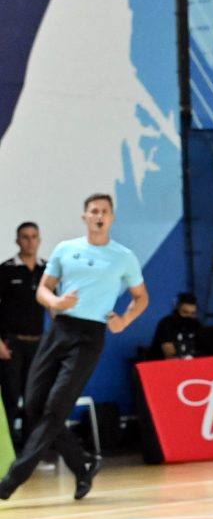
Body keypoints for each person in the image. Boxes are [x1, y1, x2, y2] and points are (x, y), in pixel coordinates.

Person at [0, 194, 148, 501]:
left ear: (112, 218)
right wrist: (56, 301)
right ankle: (83, 465)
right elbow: (43, 289)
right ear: (85, 217)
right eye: (94, 211)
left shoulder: (123, 257)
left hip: (89, 337)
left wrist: (125, 320)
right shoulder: (66, 249)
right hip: (60, 330)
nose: (99, 216)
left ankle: (12, 479)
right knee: (33, 405)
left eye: (105, 211)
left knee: (55, 408)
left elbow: (141, 297)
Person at [0, 222, 47, 447]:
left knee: (34, 399)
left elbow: (56, 307)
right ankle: (8, 452)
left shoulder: (47, 270)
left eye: (34, 236)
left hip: (38, 344)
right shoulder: (6, 270)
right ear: (17, 240)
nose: (30, 241)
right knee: (10, 398)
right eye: (25, 237)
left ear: (39, 240)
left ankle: (30, 452)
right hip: (11, 344)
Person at [152, 292, 202, 359]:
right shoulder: (166, 324)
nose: (189, 316)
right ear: (176, 310)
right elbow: (170, 355)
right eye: (185, 312)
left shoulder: (196, 325)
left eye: (193, 313)